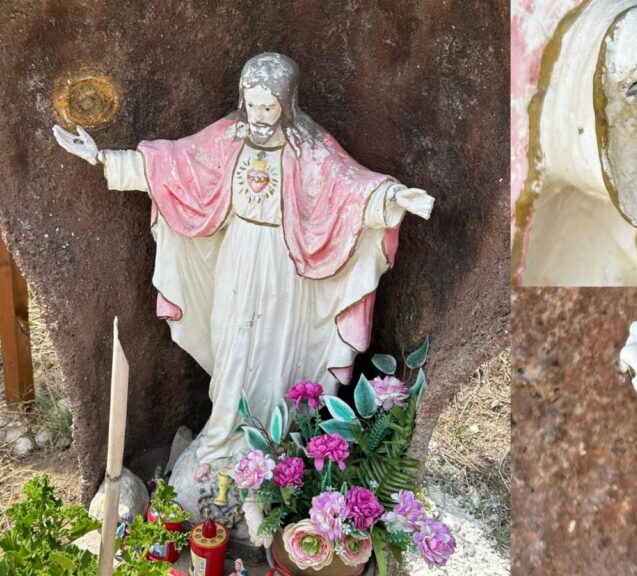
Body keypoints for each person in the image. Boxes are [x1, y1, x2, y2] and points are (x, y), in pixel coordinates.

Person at [52, 53, 433, 483]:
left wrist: (392, 199)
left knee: (275, 351)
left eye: (269, 107)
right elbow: (172, 165)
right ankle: (221, 437)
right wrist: (102, 157)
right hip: (237, 257)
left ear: (286, 103)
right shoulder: (228, 137)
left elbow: (348, 185)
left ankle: (273, 446)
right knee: (233, 343)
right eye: (252, 105)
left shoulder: (308, 146)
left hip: (284, 268)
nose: (259, 116)